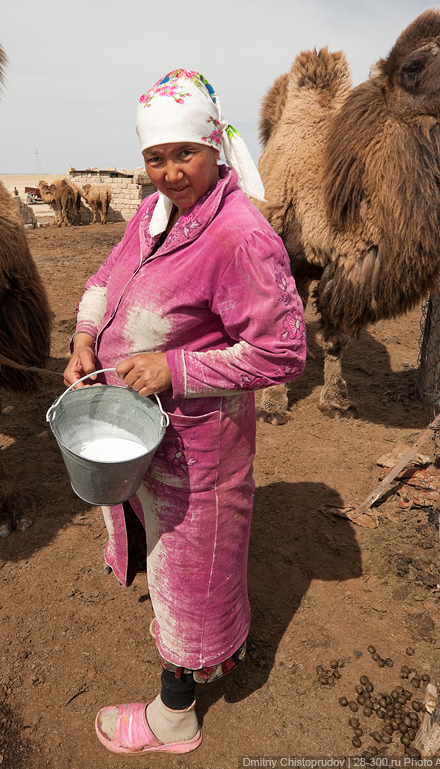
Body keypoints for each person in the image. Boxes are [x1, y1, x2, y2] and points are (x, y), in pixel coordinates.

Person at [63, 68, 307, 755]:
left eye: (183, 154)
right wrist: (85, 337)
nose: (168, 172)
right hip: (147, 433)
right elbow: (106, 279)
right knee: (174, 563)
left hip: (200, 445)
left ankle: (174, 717)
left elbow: (283, 353)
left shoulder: (238, 235)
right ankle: (195, 655)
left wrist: (174, 368)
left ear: (213, 147)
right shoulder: (152, 215)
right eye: (154, 157)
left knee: (193, 573)